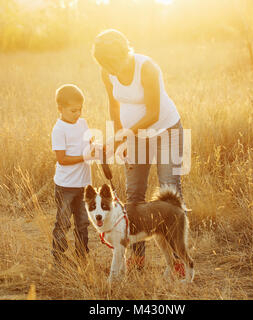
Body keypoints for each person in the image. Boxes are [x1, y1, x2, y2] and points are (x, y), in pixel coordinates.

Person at [93, 29, 188, 275]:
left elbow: (154, 113)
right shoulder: (107, 72)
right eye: (108, 65)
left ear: (126, 51)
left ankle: (177, 261)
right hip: (135, 137)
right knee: (134, 194)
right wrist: (121, 138)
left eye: (116, 62)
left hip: (166, 131)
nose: (113, 69)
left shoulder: (147, 68)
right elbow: (114, 106)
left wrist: (123, 136)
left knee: (169, 191)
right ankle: (137, 259)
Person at [51, 84, 99, 266]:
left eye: (80, 109)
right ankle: (58, 257)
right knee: (63, 223)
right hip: (66, 186)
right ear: (60, 109)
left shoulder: (83, 123)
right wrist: (83, 157)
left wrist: (94, 149)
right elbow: (62, 159)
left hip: (84, 185)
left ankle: (82, 256)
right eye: (73, 111)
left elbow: (89, 143)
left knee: (83, 222)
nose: (77, 114)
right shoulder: (59, 130)